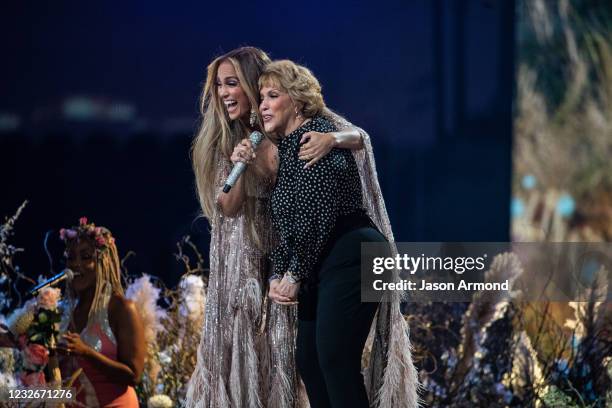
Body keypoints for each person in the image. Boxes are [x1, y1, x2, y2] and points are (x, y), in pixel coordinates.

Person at [186, 47, 365, 408]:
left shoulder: (303, 134)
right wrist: (243, 165)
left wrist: (333, 139)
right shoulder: (239, 140)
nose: (223, 93)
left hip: (324, 256)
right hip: (263, 268)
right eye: (219, 85)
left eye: (232, 83)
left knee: (326, 360)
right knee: (308, 361)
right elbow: (231, 207)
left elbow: (358, 139)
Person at [260, 60, 420, 407]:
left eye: (273, 95)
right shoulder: (287, 149)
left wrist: (293, 274)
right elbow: (290, 224)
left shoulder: (313, 138)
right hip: (321, 261)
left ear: (298, 102)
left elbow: (317, 215)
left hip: (353, 254)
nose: (263, 104)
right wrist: (280, 272)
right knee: (310, 360)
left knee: (335, 359)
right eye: (261, 96)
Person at [58, 217, 145, 407]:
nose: (75, 265)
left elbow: (134, 375)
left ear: (103, 261)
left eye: (86, 257)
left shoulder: (121, 308)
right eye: (71, 257)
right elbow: (61, 386)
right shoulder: (65, 312)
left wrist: (86, 352)